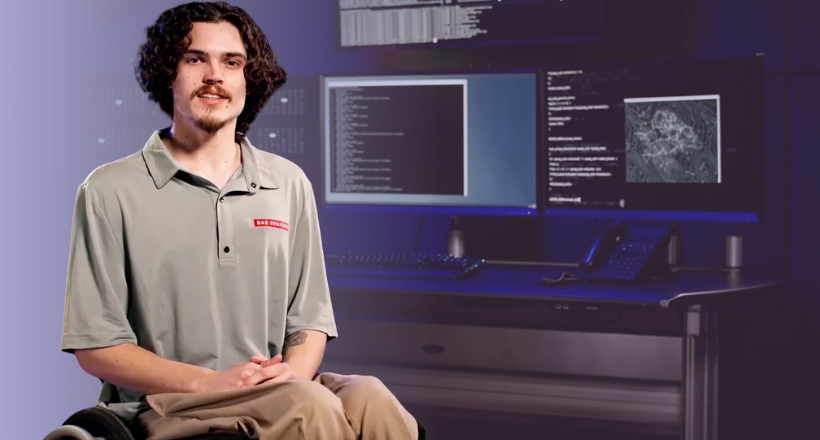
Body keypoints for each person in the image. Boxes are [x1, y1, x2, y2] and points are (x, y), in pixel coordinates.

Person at [60, 2, 418, 439]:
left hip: (271, 389)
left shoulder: (287, 183)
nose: (214, 75)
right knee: (311, 408)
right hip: (167, 403)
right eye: (195, 59)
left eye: (232, 62)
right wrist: (214, 382)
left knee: (370, 396)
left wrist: (287, 377)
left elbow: (308, 322)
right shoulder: (109, 190)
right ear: (168, 73)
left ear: (249, 79)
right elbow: (97, 347)